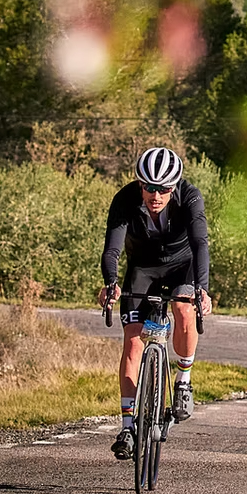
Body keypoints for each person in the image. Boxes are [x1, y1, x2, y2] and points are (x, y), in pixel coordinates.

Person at [99, 147, 212, 461]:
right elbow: (112, 249)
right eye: (149, 187)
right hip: (143, 267)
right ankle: (126, 427)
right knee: (133, 342)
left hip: (182, 265)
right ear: (140, 184)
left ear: (174, 187)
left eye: (163, 189)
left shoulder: (190, 197)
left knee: (183, 309)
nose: (156, 194)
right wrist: (111, 283)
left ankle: (184, 380)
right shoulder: (124, 200)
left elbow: (201, 243)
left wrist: (202, 289)